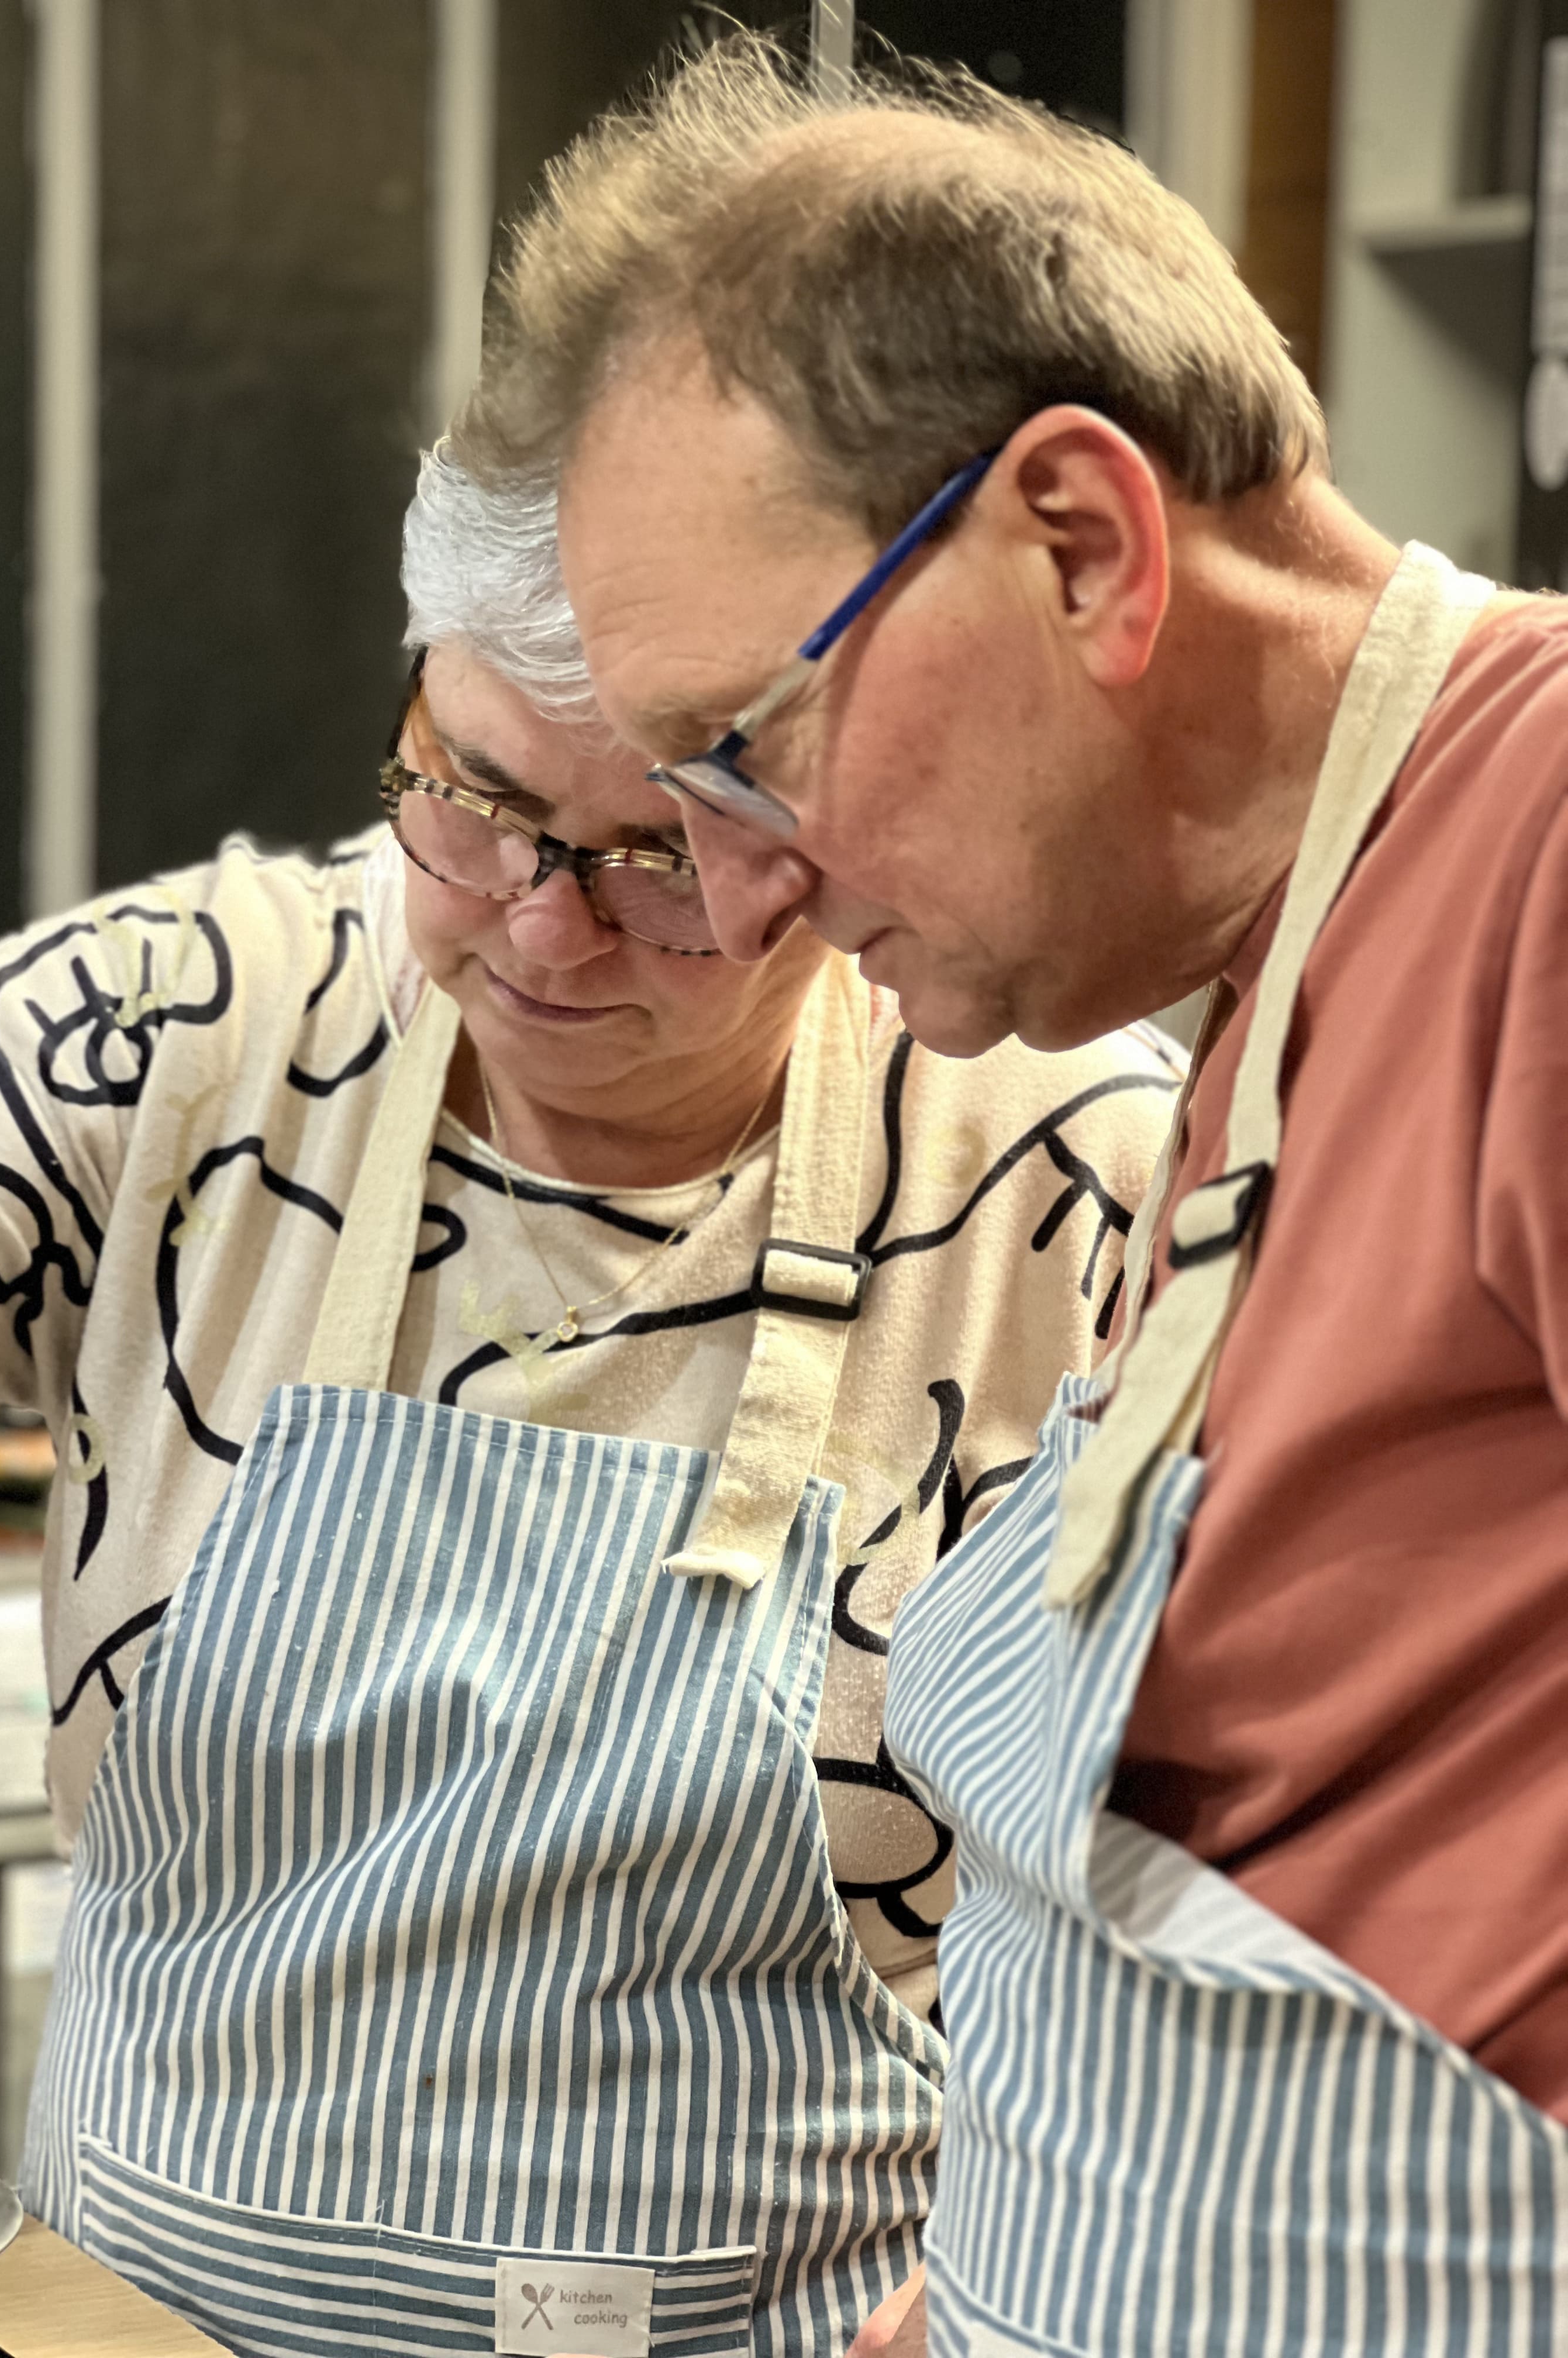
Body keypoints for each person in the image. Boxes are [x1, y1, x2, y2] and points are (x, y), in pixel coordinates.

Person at [0, 444, 1177, 2355]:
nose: (544, 930)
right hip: (129, 2325)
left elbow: (1260, 1876)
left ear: (848, 812)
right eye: (479, 805)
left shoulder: (1082, 1181)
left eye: (666, 858)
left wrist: (1082, 2249)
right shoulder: (189, 1033)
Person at [453, 30, 1568, 2357]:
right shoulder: (1262, 987)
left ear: (1086, 547)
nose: (738, 902)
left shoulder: (1543, 858)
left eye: (743, 757)